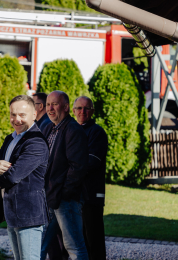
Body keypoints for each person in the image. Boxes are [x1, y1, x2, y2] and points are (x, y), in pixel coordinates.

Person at [0, 95, 49, 260]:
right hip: (12, 212)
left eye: (22, 115)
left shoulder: (36, 142)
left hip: (28, 215)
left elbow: (13, 176)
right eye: (13, 114)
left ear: (34, 114)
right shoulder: (11, 138)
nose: (16, 119)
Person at [41, 90, 89, 260]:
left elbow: (77, 167)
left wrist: (63, 193)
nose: (50, 108)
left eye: (54, 104)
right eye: (48, 104)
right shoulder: (47, 127)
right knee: (39, 244)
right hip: (48, 197)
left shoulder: (73, 130)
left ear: (66, 107)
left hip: (65, 200)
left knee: (74, 246)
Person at [73, 96, 108, 260]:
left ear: (92, 111)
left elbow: (92, 161)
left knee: (93, 239)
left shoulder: (96, 132)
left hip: (91, 195)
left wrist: (68, 169)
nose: (82, 112)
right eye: (79, 108)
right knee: (79, 240)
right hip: (75, 195)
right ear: (73, 111)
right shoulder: (73, 130)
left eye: (86, 108)